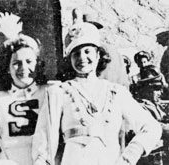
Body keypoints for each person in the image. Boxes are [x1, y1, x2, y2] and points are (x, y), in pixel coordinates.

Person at [32, 22, 162, 165]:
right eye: (76, 54)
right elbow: (43, 144)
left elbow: (151, 127)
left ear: (98, 54)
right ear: (69, 59)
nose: (82, 58)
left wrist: (128, 157)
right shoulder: (58, 92)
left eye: (87, 51)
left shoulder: (117, 92)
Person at [0, 34, 48, 165]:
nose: (23, 68)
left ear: (38, 63)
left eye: (29, 62)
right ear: (7, 68)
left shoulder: (48, 93)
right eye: (16, 63)